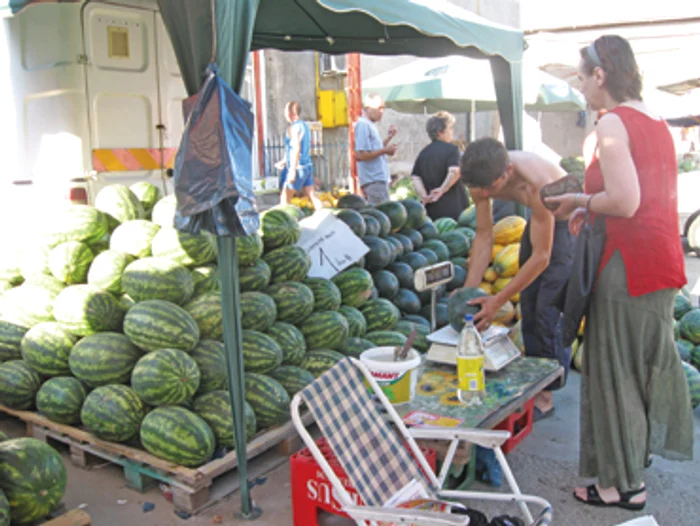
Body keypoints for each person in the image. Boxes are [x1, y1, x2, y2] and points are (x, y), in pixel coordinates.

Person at [546, 35, 693, 511]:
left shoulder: (613, 125)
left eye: (582, 76)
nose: (581, 85)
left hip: (628, 268)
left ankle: (622, 486)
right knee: (633, 371)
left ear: (601, 75)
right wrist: (593, 212)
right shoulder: (652, 119)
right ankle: (628, 471)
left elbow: (626, 201)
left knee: (614, 374)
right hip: (658, 261)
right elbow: (642, 197)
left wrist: (582, 201)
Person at [458, 137, 574, 420]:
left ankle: (546, 395)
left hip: (564, 224)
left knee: (546, 308)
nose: (483, 194)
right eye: (478, 190)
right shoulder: (480, 179)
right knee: (529, 306)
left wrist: (497, 301)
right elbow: (485, 235)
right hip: (539, 221)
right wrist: (468, 291)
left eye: (490, 189)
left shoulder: (538, 185)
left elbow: (542, 256)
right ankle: (536, 379)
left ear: (508, 172)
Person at [411, 111, 470, 220]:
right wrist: (442, 189)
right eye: (450, 129)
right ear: (440, 132)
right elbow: (454, 171)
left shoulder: (424, 152)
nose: (452, 132)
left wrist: (424, 195)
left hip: (432, 208)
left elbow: (416, 177)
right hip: (454, 207)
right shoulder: (452, 149)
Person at [275, 101, 321, 209]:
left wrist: (292, 170)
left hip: (298, 167)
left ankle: (285, 223)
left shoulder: (293, 128)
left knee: (284, 199)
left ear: (291, 112)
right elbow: (299, 148)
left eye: (286, 112)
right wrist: (284, 161)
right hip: (307, 166)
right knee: (312, 196)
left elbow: (296, 148)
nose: (285, 115)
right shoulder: (304, 125)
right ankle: (326, 215)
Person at [354, 93, 397, 204]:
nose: (381, 111)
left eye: (383, 108)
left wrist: (389, 138)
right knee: (382, 214)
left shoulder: (370, 125)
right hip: (374, 180)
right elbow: (360, 155)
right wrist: (385, 150)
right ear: (368, 108)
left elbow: (373, 149)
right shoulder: (363, 125)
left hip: (378, 180)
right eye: (379, 108)